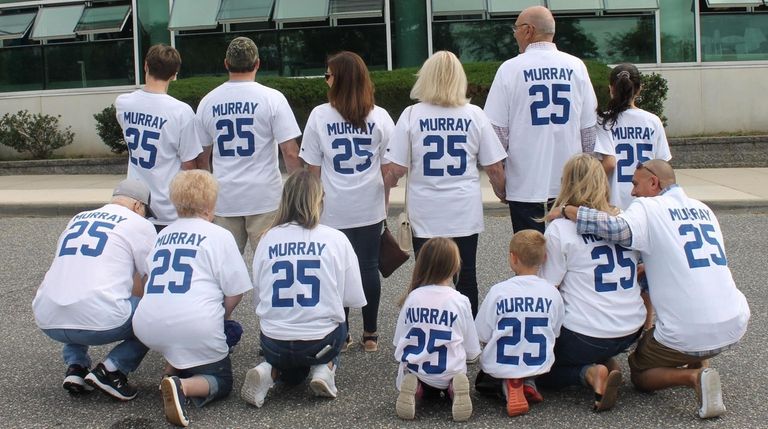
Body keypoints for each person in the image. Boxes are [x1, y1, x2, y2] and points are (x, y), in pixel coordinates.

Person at [552, 159, 750, 419]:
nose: (632, 192)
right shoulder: (703, 209)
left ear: (653, 182)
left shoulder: (647, 207)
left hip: (687, 331)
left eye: (635, 184)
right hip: (734, 323)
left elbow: (617, 228)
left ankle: (694, 375)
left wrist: (568, 210)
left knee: (639, 371)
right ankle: (699, 358)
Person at [384, 50, 507, 316]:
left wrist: (386, 185)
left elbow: (396, 168)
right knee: (467, 276)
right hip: (464, 209)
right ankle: (466, 338)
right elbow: (494, 167)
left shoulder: (411, 114)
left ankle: (430, 329)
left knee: (427, 277)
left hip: (425, 210)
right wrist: (502, 191)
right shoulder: (474, 114)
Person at [132, 170, 252, 427]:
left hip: (146, 324)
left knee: (181, 330)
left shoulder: (162, 235)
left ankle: (172, 366)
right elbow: (236, 290)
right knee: (222, 381)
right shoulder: (219, 235)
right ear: (211, 204)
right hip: (193, 324)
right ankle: (181, 385)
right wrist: (220, 317)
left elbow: (145, 280)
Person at [242, 170, 366, 408]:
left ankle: (269, 369)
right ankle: (324, 369)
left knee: (293, 374)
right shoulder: (336, 238)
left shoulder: (267, 238)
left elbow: (259, 300)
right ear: (319, 201)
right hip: (320, 343)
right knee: (338, 322)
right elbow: (352, 298)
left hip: (273, 342)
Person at [300, 51, 395, 352]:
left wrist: (312, 205)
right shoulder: (379, 116)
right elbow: (388, 168)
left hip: (332, 206)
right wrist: (385, 201)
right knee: (368, 267)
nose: (326, 80)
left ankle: (342, 334)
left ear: (338, 79)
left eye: (328, 75)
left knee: (336, 270)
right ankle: (371, 334)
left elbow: (312, 170)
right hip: (369, 203)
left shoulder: (319, 115)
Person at [537, 154, 645, 411]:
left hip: (586, 334)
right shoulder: (622, 220)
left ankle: (590, 373)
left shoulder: (560, 228)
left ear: (567, 184)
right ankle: (609, 362)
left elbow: (547, 288)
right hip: (631, 328)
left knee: (536, 368)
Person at [32, 179, 157, 400]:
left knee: (77, 288)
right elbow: (149, 278)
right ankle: (113, 369)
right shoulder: (140, 224)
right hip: (98, 322)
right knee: (155, 314)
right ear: (139, 206)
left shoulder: (77, 218)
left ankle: (76, 367)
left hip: (48, 318)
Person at [483, 5, 598, 234]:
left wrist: (500, 181)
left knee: (529, 254)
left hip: (524, 181)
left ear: (528, 30)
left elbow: (494, 132)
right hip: (570, 181)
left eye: (516, 28)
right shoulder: (576, 67)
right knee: (568, 251)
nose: (514, 33)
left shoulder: (510, 69)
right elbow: (589, 131)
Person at [194, 36, 302, 254]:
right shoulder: (272, 98)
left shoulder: (208, 101)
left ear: (226, 63)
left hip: (224, 198)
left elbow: (202, 158)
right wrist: (299, 192)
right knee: (271, 266)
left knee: (224, 273)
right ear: (258, 64)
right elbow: (290, 153)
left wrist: (207, 196)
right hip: (264, 197)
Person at [115, 44, 205, 232]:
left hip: (136, 202)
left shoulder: (123, 103)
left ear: (146, 66)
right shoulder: (181, 111)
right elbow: (189, 165)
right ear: (174, 74)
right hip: (170, 207)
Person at [475, 230, 564, 417]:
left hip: (500, 363)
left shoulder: (499, 291)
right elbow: (555, 332)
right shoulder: (552, 292)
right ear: (544, 258)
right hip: (538, 362)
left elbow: (481, 333)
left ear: (513, 258)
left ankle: (510, 384)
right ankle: (528, 382)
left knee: (484, 381)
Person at [392, 237, 481, 422]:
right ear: (455, 267)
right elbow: (472, 350)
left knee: (418, 378)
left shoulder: (413, 298)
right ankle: (453, 388)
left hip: (418, 368)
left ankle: (417, 387)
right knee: (455, 370)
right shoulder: (460, 300)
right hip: (448, 368)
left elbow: (398, 341)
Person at [593, 63, 671, 210]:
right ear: (639, 89)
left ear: (611, 89)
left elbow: (609, 163)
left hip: (613, 202)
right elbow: (662, 166)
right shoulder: (653, 121)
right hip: (647, 201)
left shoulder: (603, 121)